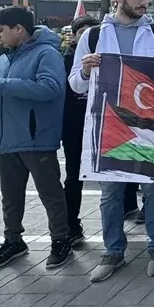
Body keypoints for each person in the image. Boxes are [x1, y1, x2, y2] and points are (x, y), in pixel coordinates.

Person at [69, 0, 154, 282]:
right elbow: (75, 83)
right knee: (110, 194)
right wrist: (87, 70)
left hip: (150, 125)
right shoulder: (92, 36)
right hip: (109, 126)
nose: (145, 2)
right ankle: (113, 251)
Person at [0, 6, 72, 271]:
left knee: (50, 194)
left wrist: (2, 85)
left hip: (36, 138)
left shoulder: (47, 53)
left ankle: (61, 240)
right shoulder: (4, 59)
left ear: (19, 29)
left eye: (0, 30)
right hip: (6, 138)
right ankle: (13, 240)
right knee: (10, 196)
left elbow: (51, 88)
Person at [61, 13, 100, 246]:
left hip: (104, 122)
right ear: (74, 36)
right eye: (81, 32)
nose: (87, 36)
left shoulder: (106, 55)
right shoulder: (65, 60)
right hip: (74, 126)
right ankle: (71, 224)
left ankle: (129, 206)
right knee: (74, 175)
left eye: (91, 32)